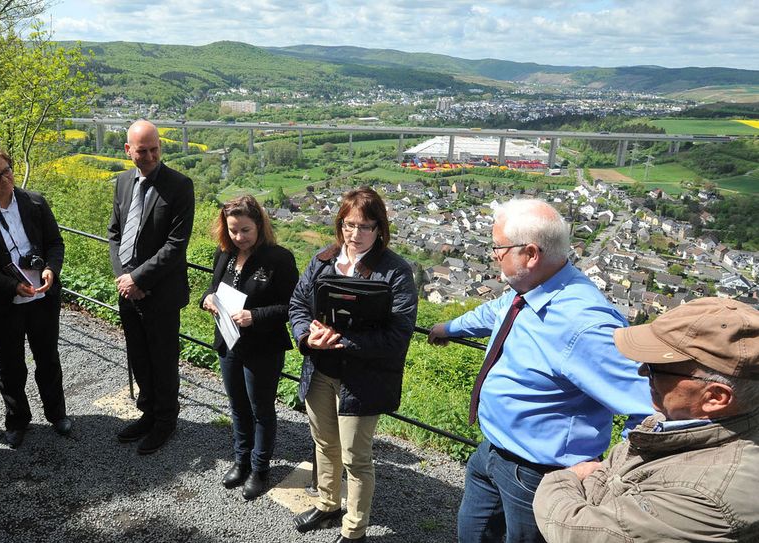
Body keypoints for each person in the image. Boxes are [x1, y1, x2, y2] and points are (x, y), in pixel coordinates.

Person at [427, 198, 653, 543]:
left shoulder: (584, 324)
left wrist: (610, 473)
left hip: (540, 475)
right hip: (492, 451)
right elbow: (496, 311)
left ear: (530, 254)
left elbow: (651, 407)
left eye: (498, 248)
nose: (492, 255)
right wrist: (450, 328)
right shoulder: (530, 289)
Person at [533, 298, 759, 542]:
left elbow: (575, 531)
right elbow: (611, 469)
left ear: (715, 397)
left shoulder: (707, 493)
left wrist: (563, 478)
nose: (642, 371)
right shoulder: (678, 420)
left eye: (658, 367)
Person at [288, 187, 418, 543]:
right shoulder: (323, 260)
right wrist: (306, 336)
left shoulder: (395, 272)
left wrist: (344, 341)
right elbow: (298, 304)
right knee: (323, 443)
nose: (354, 234)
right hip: (320, 371)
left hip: (362, 381)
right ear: (339, 224)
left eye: (364, 227)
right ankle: (329, 504)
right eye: (348, 225)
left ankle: (354, 530)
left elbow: (399, 333)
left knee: (355, 458)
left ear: (379, 229)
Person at [0, 147, 71, 449]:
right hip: (0, 303)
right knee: (10, 364)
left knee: (48, 358)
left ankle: (57, 413)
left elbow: (55, 243)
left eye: (8, 170)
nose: (6, 179)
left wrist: (50, 269)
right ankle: (17, 420)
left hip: (42, 297)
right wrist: (9, 285)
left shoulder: (34, 202)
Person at [200, 195, 298, 500]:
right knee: (237, 406)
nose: (238, 237)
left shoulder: (279, 259)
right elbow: (213, 287)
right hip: (229, 343)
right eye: (232, 230)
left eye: (245, 230)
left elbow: (294, 306)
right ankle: (241, 461)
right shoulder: (224, 253)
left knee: (261, 410)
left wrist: (254, 316)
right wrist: (207, 299)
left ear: (260, 226)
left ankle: (260, 468)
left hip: (263, 348)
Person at [108, 120, 195, 454]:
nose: (150, 156)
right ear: (128, 150)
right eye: (142, 151)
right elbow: (115, 234)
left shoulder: (179, 186)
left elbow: (175, 245)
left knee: (162, 359)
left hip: (161, 293)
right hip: (128, 291)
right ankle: (148, 412)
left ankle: (165, 422)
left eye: (155, 149)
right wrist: (125, 279)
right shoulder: (122, 182)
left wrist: (138, 279)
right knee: (138, 356)